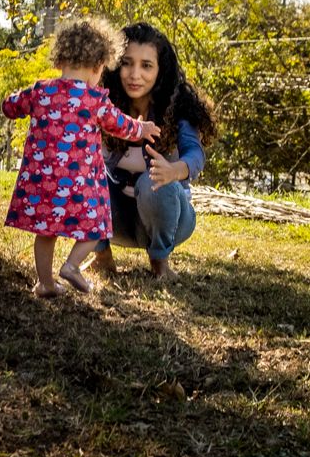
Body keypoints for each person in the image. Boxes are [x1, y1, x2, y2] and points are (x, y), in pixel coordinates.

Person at [3, 17, 160, 297]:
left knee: (46, 233)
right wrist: (143, 128)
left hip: (43, 183)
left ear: (60, 60)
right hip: (80, 185)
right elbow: (122, 125)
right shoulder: (94, 100)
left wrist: (12, 100)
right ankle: (72, 266)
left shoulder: (41, 90)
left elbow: (10, 106)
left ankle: (45, 283)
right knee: (97, 227)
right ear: (99, 66)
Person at [92, 22, 218, 280]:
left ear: (161, 71)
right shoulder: (101, 103)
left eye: (146, 65)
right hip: (117, 222)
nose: (134, 74)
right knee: (85, 172)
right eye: (127, 63)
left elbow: (195, 155)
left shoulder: (177, 107)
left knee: (155, 182)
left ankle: (160, 262)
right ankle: (101, 257)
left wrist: (175, 171)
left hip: (170, 220)